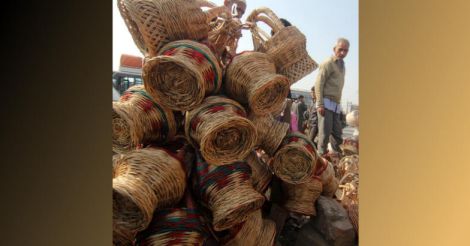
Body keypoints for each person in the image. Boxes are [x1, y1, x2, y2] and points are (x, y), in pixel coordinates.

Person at [315, 38, 350, 155]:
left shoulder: (342, 66)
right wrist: (320, 104)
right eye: (340, 50)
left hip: (336, 106)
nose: (343, 53)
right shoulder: (328, 63)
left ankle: (335, 159)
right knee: (324, 135)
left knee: (338, 135)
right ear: (334, 49)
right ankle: (320, 160)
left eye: (345, 51)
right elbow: (318, 84)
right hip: (325, 103)